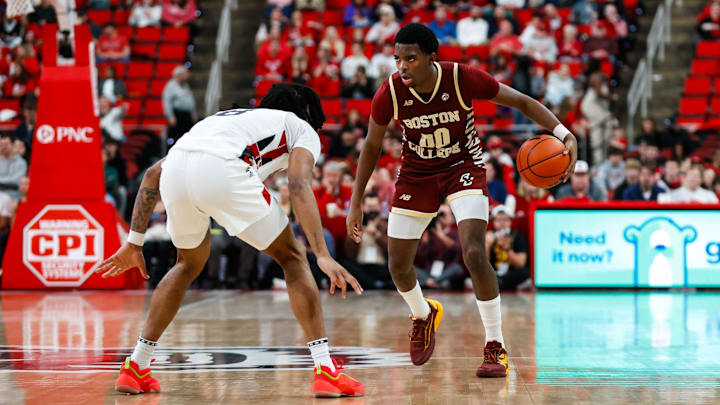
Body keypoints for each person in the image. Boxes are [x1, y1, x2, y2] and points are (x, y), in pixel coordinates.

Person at [94, 84, 364, 398]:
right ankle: (326, 370)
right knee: (293, 258)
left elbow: (153, 174)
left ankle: (136, 366)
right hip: (225, 170)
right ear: (307, 111)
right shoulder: (300, 127)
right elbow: (299, 183)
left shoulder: (227, 118)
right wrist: (322, 253)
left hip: (177, 172)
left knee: (186, 264)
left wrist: (134, 242)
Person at [346, 23, 578, 378]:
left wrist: (563, 133)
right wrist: (356, 200)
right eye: (397, 59)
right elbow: (372, 146)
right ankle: (424, 315)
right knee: (398, 266)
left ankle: (495, 344)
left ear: (430, 58)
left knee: (473, 250)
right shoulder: (389, 93)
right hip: (416, 173)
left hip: (462, 166)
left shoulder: (461, 78)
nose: (402, 66)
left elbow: (522, 101)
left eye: (410, 58)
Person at [162, 66, 196, 142]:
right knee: (176, 136)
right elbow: (167, 101)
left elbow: (190, 101)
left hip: (186, 115)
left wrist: (193, 114)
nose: (187, 76)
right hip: (177, 115)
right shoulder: (171, 86)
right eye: (185, 74)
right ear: (179, 75)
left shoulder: (185, 86)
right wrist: (170, 116)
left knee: (186, 136)